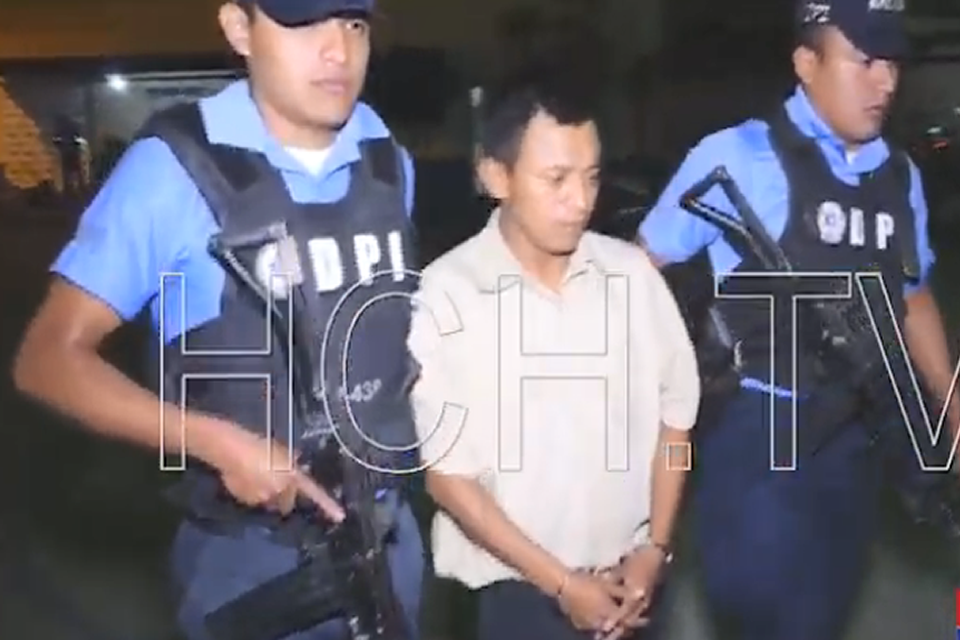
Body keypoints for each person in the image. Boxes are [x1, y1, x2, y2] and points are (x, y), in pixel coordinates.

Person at [12, 1, 423, 638]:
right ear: (238, 28)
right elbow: (47, 360)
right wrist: (212, 442)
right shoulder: (174, 168)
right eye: (303, 22)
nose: (338, 50)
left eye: (354, 23)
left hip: (390, 542)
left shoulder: (388, 160)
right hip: (254, 563)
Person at [638, 1, 958, 639]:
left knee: (825, 614)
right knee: (774, 618)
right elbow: (640, 269)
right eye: (864, 61)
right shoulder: (736, 157)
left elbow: (912, 294)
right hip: (757, 440)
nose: (885, 82)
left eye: (892, 63)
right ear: (806, 63)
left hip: (856, 439)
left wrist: (950, 405)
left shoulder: (899, 178)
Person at [409, 67, 700, 640]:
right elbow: (448, 478)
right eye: (556, 179)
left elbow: (676, 419)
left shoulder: (631, 275)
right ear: (496, 175)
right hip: (517, 597)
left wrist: (655, 549)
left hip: (633, 586)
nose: (580, 202)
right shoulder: (449, 294)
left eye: (591, 178)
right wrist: (564, 586)